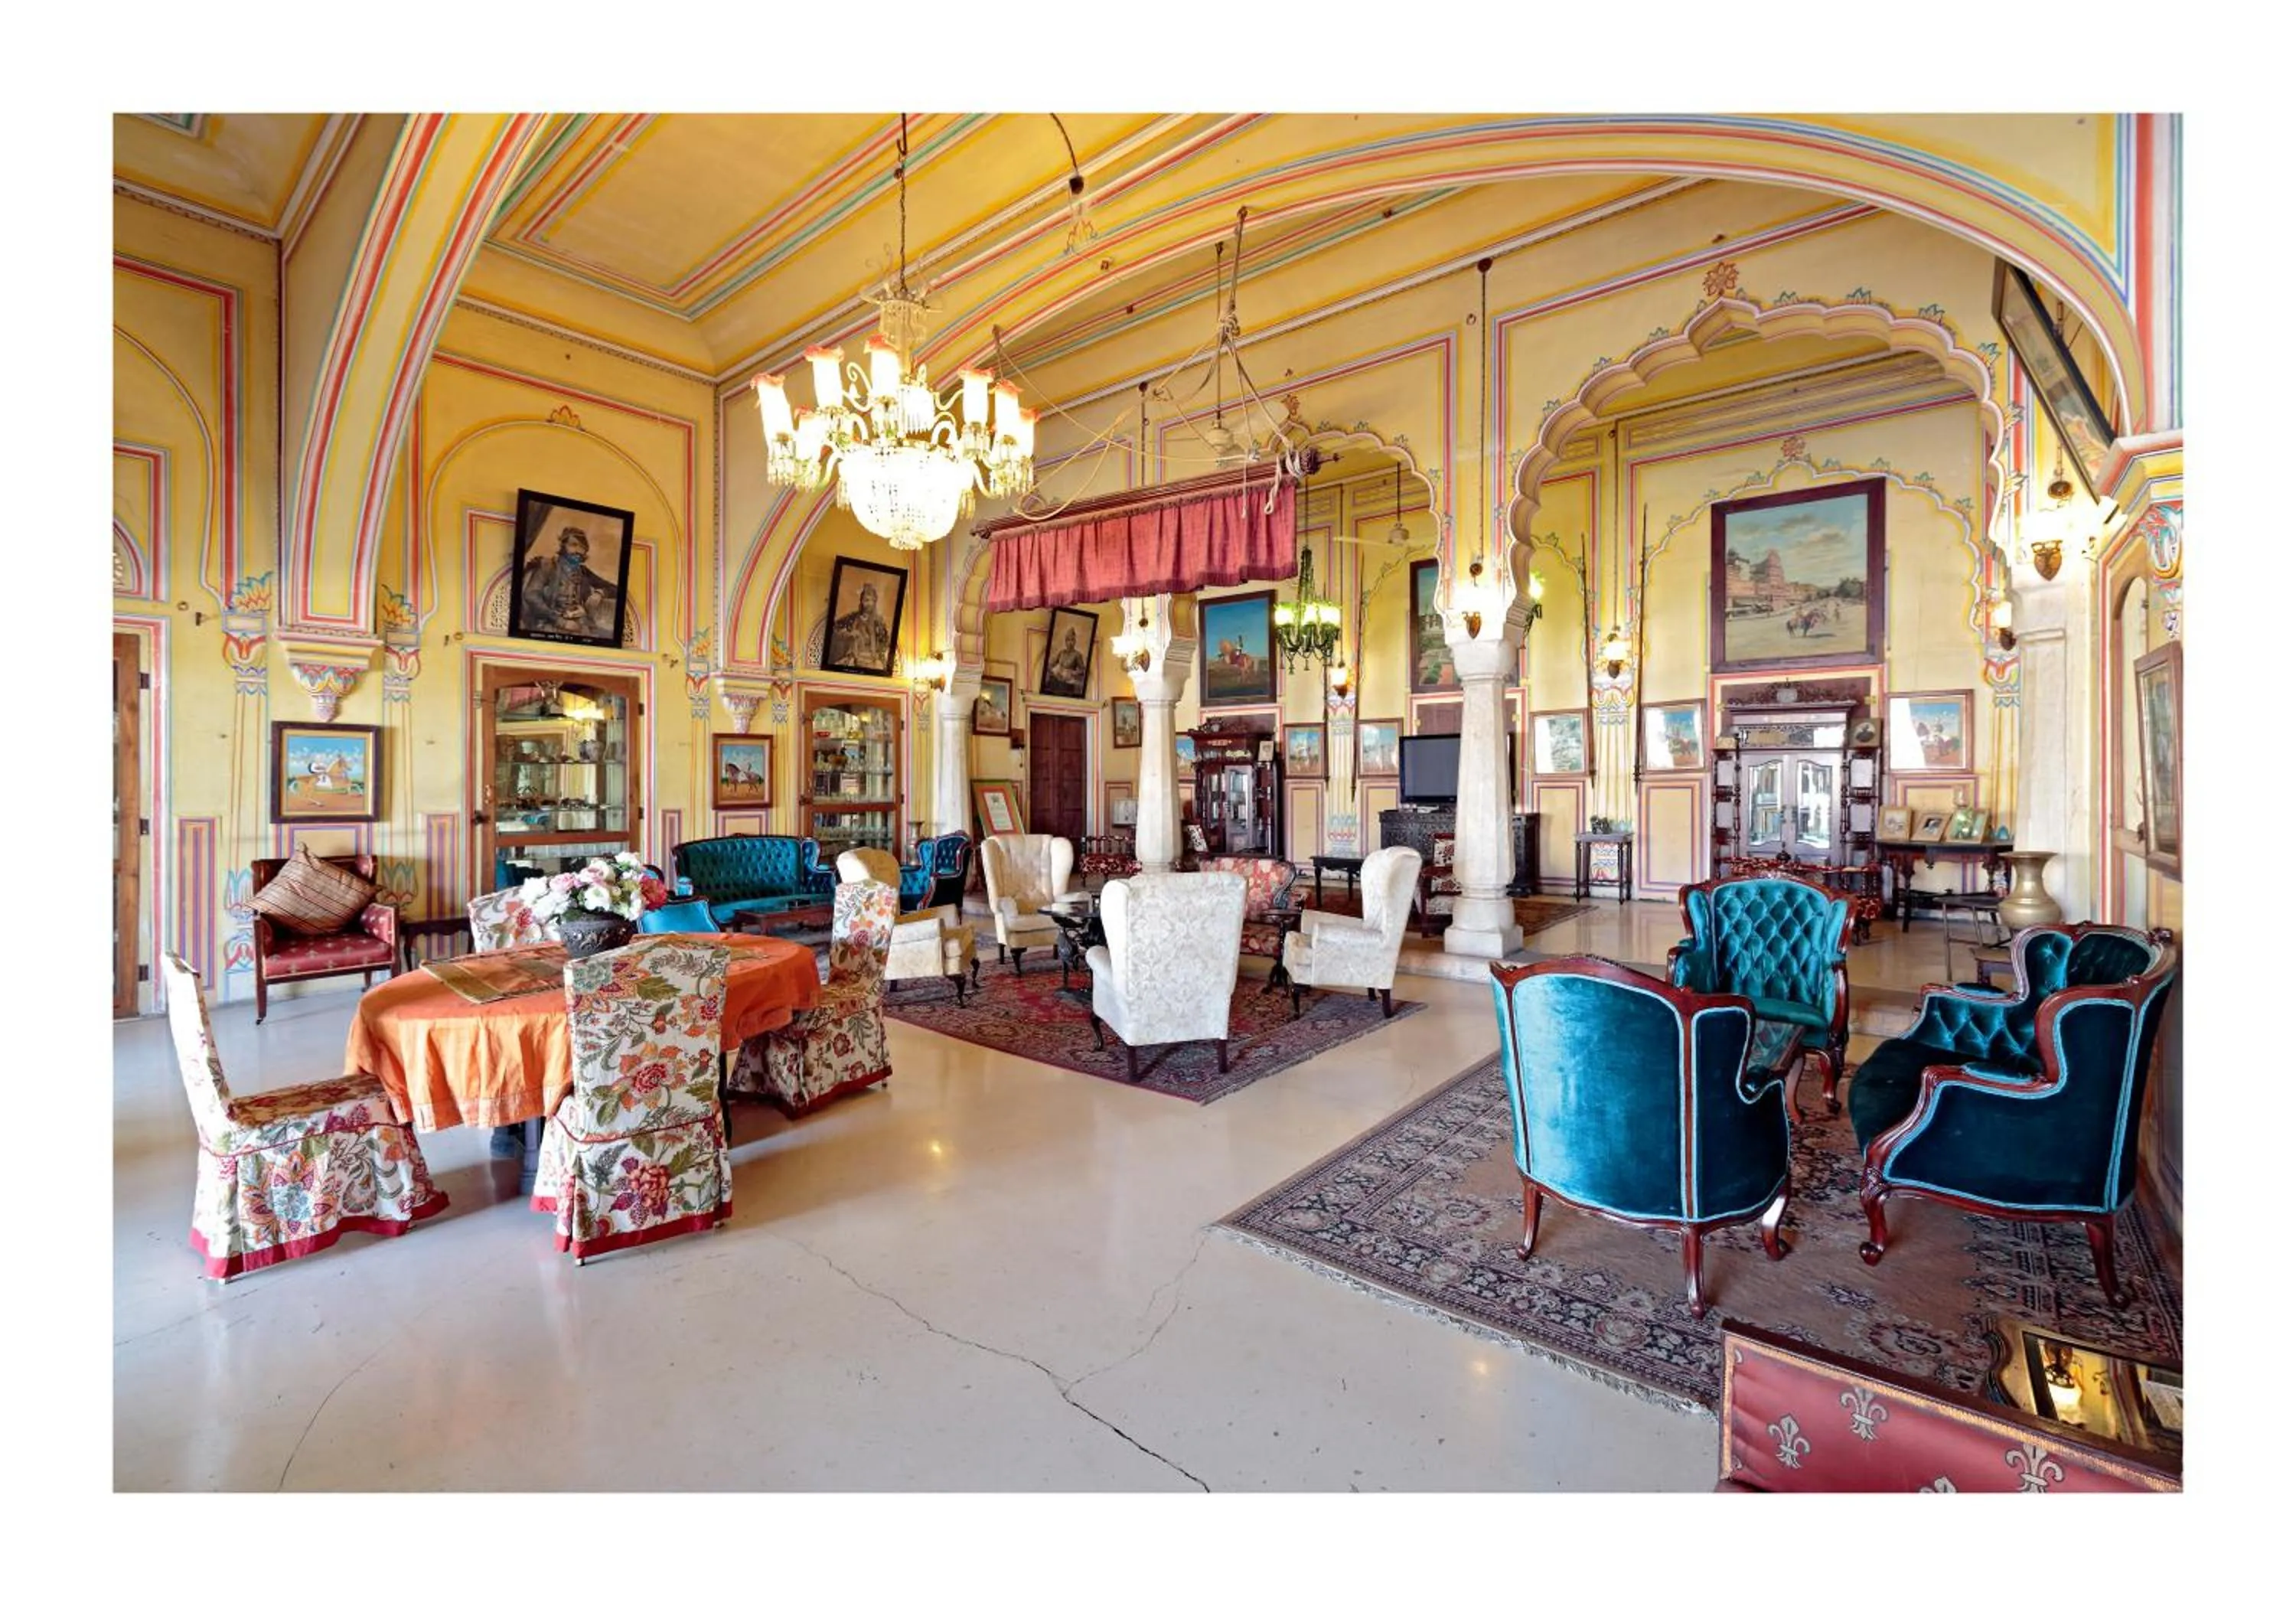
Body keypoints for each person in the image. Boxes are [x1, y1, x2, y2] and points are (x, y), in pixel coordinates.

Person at [520, 526, 618, 638]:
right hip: (549, 623)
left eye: (581, 547)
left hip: (580, 623)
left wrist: (600, 593)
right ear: (563, 546)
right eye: (573, 545)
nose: (577, 550)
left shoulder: (583, 572)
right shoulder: (548, 566)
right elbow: (531, 596)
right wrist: (560, 622)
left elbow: (616, 589)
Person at [830, 582, 892, 671]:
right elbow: (835, 627)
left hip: (873, 660)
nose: (869, 604)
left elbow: (886, 642)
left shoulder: (879, 622)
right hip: (855, 657)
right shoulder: (853, 617)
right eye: (866, 600)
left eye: (872, 601)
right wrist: (849, 634)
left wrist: (878, 651)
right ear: (862, 601)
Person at [1046, 625, 1086, 693]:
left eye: (1072, 640)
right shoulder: (1061, 653)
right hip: (1057, 679)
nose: (1070, 643)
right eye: (1068, 640)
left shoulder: (1077, 655)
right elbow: (1050, 665)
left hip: (1068, 682)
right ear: (1065, 641)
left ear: (1075, 642)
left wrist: (1073, 673)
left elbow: (1083, 671)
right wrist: (1054, 671)